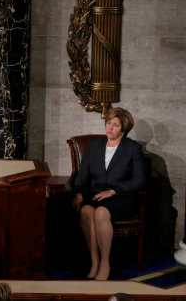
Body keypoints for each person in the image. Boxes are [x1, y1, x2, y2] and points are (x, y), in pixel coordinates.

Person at [73, 107, 146, 281]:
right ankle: (94, 261)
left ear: (124, 128)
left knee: (101, 212)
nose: (110, 128)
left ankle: (106, 262)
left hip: (121, 197)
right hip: (96, 194)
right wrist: (78, 193)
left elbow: (140, 180)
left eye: (115, 125)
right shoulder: (94, 147)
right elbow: (82, 176)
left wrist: (114, 190)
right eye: (108, 123)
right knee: (86, 211)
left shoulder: (132, 149)